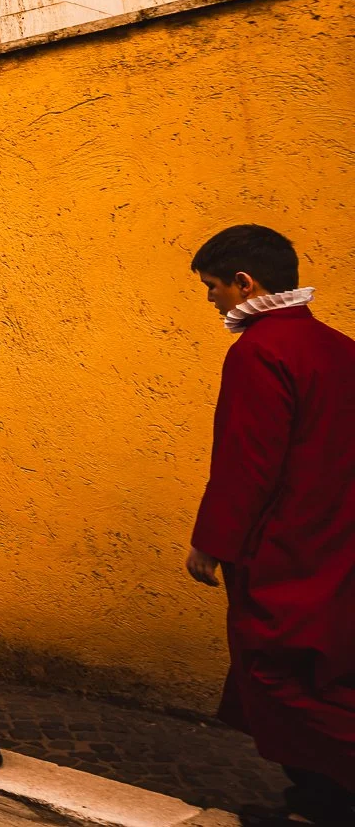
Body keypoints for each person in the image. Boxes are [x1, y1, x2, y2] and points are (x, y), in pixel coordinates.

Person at [186, 225, 355, 826]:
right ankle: (316, 802)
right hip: (337, 543)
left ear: (244, 283)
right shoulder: (341, 348)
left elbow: (247, 462)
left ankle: (325, 798)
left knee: (277, 673)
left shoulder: (260, 351)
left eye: (212, 287)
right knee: (325, 668)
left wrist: (211, 542)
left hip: (284, 545)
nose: (211, 300)